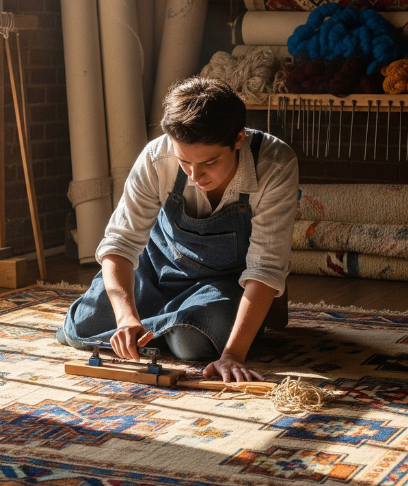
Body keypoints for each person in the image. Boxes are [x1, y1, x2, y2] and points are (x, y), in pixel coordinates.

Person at [56, 76, 298, 383]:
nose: (195, 175)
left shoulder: (275, 164)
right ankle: (164, 322)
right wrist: (126, 318)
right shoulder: (157, 156)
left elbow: (265, 268)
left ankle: (170, 324)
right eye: (184, 161)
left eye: (210, 162)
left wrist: (233, 355)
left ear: (238, 139)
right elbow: (120, 242)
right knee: (83, 325)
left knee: (192, 342)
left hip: (222, 284)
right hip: (156, 268)